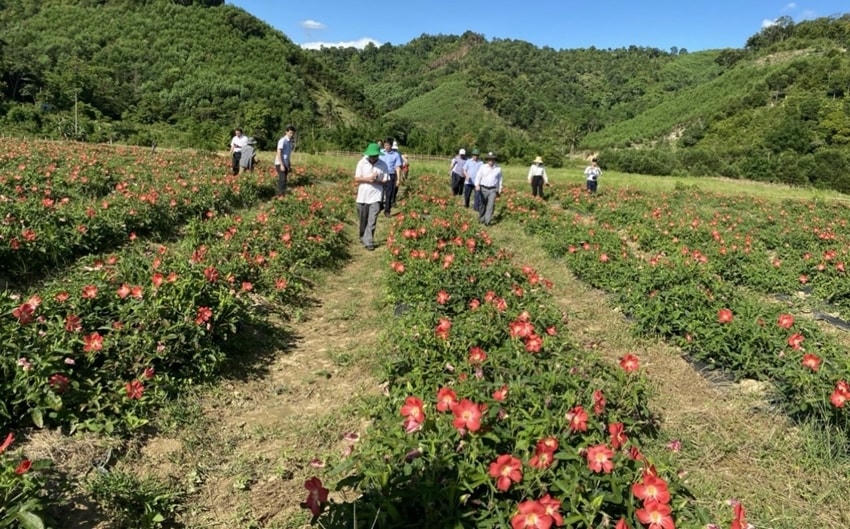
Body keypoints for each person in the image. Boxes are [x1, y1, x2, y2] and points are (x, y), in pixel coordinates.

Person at [355, 143, 390, 251]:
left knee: (372, 220)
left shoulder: (383, 164)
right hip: (362, 196)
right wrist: (368, 179)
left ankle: (369, 241)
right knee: (363, 219)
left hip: (376, 196)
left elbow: (386, 179)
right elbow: (356, 178)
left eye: (375, 156)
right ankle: (363, 236)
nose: (373, 157)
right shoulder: (361, 163)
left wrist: (377, 180)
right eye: (371, 155)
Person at [474, 151, 503, 225]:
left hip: (493, 189)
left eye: (492, 159)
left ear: (494, 160)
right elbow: (478, 176)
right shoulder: (483, 167)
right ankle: (481, 218)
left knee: (491, 205)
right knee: (482, 204)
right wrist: (477, 185)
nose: (491, 161)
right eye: (489, 159)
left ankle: (487, 221)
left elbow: (500, 180)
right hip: (483, 188)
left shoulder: (498, 168)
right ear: (487, 160)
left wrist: (499, 189)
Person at [380, 138, 403, 216]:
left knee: (389, 193)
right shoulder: (380, 153)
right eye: (385, 145)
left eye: (388, 145)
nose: (386, 147)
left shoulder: (395, 155)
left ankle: (387, 210)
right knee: (380, 192)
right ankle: (379, 206)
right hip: (381, 174)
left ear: (391, 146)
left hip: (391, 175)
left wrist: (398, 179)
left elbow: (398, 167)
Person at [275, 125, 296, 195]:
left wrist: (289, 164)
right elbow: (279, 152)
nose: (291, 134)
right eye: (290, 133)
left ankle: (282, 193)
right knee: (282, 179)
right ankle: (279, 195)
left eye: (293, 133)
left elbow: (288, 155)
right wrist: (281, 164)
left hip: (286, 163)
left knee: (284, 179)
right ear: (286, 132)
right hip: (280, 163)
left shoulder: (290, 142)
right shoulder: (282, 140)